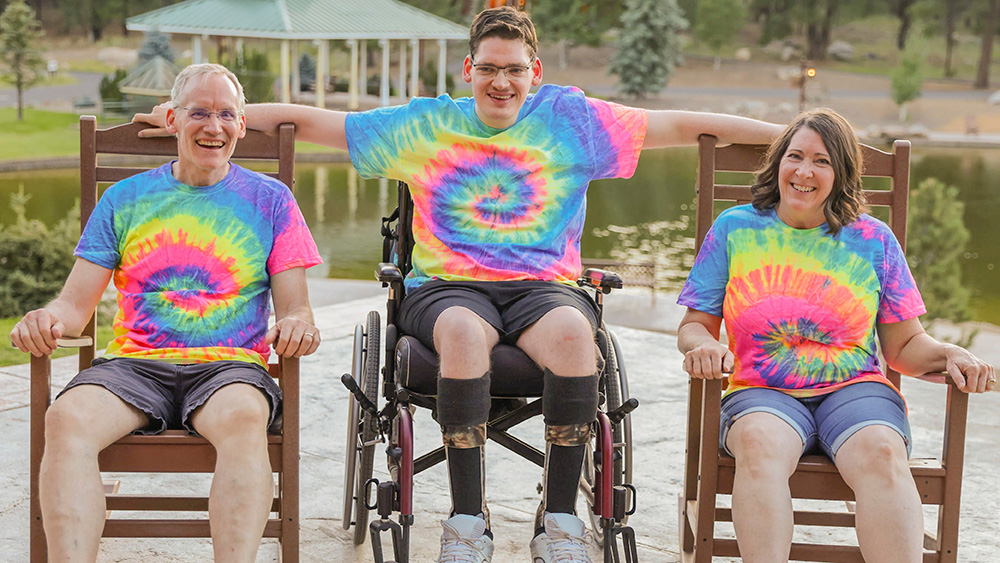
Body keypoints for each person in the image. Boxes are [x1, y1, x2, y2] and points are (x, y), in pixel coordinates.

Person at [134, 8, 781, 562]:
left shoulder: (572, 121)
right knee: (464, 336)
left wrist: (789, 140)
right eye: (489, 68)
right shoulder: (425, 126)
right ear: (468, 70)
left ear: (535, 73)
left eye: (515, 69)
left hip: (544, 287)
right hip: (447, 287)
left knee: (575, 334)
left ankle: (558, 519)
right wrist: (196, 118)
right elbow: (313, 122)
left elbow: (684, 125)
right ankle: (468, 520)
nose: (502, 81)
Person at [11, 63, 323, 563]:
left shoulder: (272, 201)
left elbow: (296, 307)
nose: (213, 126)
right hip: (133, 367)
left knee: (246, 418)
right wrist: (46, 318)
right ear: (174, 120)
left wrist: (297, 325)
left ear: (242, 124)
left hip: (230, 368)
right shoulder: (124, 199)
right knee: (66, 418)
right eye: (199, 112)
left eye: (226, 114)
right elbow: (73, 306)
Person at [676, 108, 996, 563]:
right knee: (758, 445)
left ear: (842, 174)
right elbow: (694, 326)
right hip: (761, 391)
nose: (804, 171)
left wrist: (950, 353)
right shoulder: (734, 228)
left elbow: (904, 347)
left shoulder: (873, 239)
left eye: (822, 161)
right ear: (778, 164)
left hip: (854, 390)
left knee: (884, 453)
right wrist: (704, 345)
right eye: (795, 156)